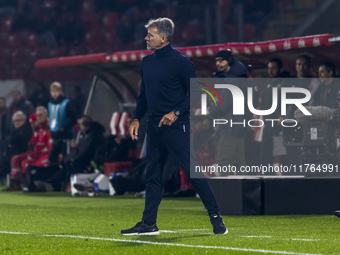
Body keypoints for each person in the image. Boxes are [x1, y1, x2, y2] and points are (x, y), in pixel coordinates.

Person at [122, 17, 227, 236]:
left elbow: (196, 92)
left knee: (192, 172)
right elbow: (143, 95)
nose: (146, 38)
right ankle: (149, 223)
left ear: (164, 37)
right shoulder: (147, 62)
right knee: (152, 176)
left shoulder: (181, 62)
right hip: (153, 126)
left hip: (177, 126)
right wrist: (135, 118)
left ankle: (216, 218)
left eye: (150, 35)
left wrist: (176, 112)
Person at [209, 49, 248, 172]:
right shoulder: (238, 78)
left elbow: (222, 106)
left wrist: (211, 107)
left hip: (229, 128)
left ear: (230, 61)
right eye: (216, 61)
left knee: (223, 164)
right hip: (238, 127)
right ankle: (243, 192)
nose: (218, 64)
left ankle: (224, 192)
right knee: (239, 165)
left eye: (221, 61)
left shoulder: (231, 80)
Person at [7, 107, 51, 190]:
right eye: (37, 115)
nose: (39, 117)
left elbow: (48, 147)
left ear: (46, 115)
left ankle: (37, 184)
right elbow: (33, 144)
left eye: (41, 115)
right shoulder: (38, 130)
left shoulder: (48, 128)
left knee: (29, 163)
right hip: (37, 154)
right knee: (17, 159)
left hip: (45, 154)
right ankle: (18, 183)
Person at [48, 81, 77, 164]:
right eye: (53, 91)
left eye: (56, 91)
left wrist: (64, 128)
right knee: (52, 157)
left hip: (65, 135)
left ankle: (67, 175)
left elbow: (73, 118)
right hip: (55, 135)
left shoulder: (66, 103)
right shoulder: (50, 104)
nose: (54, 94)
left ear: (60, 92)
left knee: (66, 157)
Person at [0, 111, 32, 182]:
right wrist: (11, 142)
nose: (16, 123)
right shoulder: (14, 130)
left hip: (22, 152)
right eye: (15, 121)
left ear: (24, 120)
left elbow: (18, 139)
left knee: (5, 164)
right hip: (11, 154)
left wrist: (11, 142)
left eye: (19, 120)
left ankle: (15, 183)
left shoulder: (27, 129)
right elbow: (6, 141)